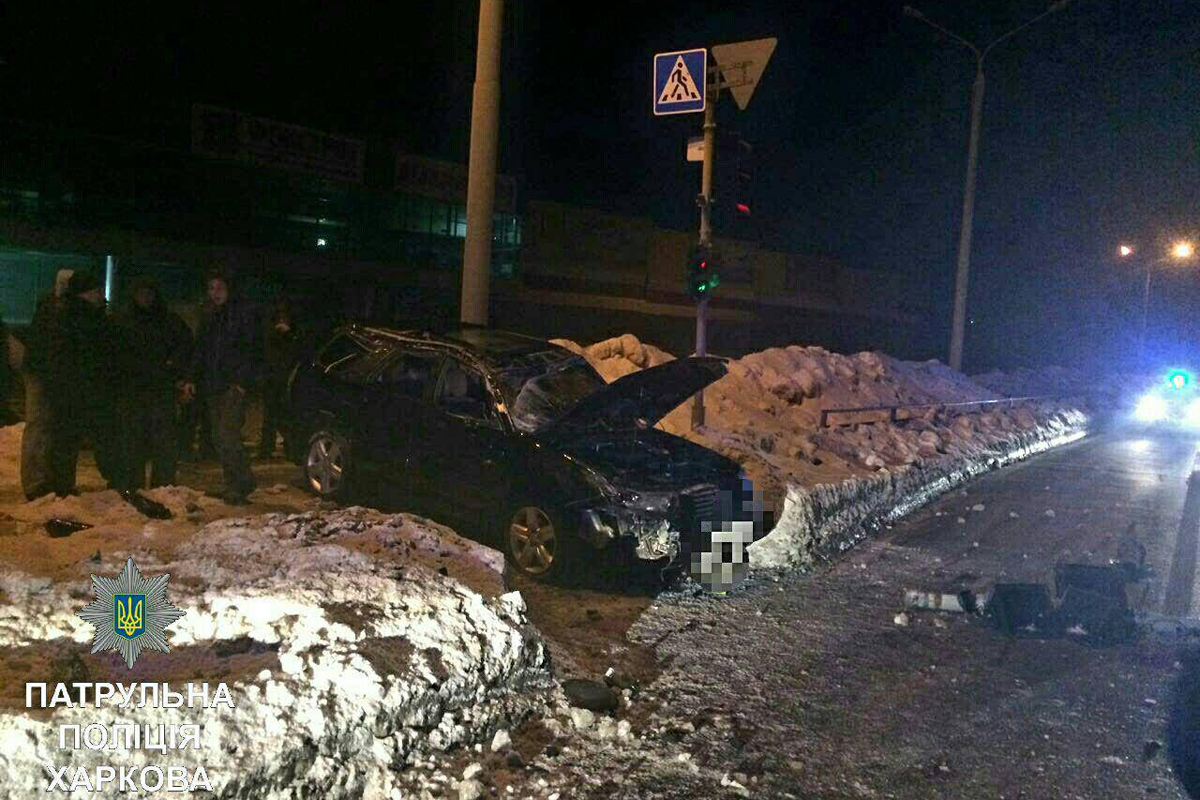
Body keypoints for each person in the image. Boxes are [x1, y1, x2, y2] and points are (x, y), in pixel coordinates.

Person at [24, 271, 113, 497]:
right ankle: (43, 484)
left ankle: (47, 483)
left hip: (58, 381)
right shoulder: (64, 312)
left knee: (53, 433)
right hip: (58, 382)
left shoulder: (61, 310)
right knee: (48, 431)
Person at [182, 271, 259, 504]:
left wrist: (242, 383)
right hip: (213, 383)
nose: (214, 293)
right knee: (218, 437)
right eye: (211, 288)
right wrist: (192, 378)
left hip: (232, 384)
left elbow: (253, 350)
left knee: (227, 435)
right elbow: (201, 350)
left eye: (219, 288)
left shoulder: (242, 315)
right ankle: (232, 483)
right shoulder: (210, 315)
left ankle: (242, 482)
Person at [116, 276, 193, 487]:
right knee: (134, 442)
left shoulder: (168, 321)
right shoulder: (124, 321)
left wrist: (173, 366)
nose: (145, 298)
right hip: (133, 390)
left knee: (163, 441)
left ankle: (163, 485)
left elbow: (186, 346)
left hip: (161, 388)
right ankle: (133, 484)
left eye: (149, 294)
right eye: (141, 294)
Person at [20, 268, 73, 499]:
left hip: (47, 373)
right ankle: (37, 483)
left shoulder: (49, 307)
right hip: (45, 374)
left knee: (43, 428)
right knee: (40, 427)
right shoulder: (54, 309)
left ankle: (40, 481)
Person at [259, 299, 299, 459]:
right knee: (271, 414)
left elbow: (295, 350)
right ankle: (267, 447)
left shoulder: (292, 333)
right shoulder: (270, 332)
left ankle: (289, 446)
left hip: (286, 377)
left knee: (285, 414)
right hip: (273, 376)